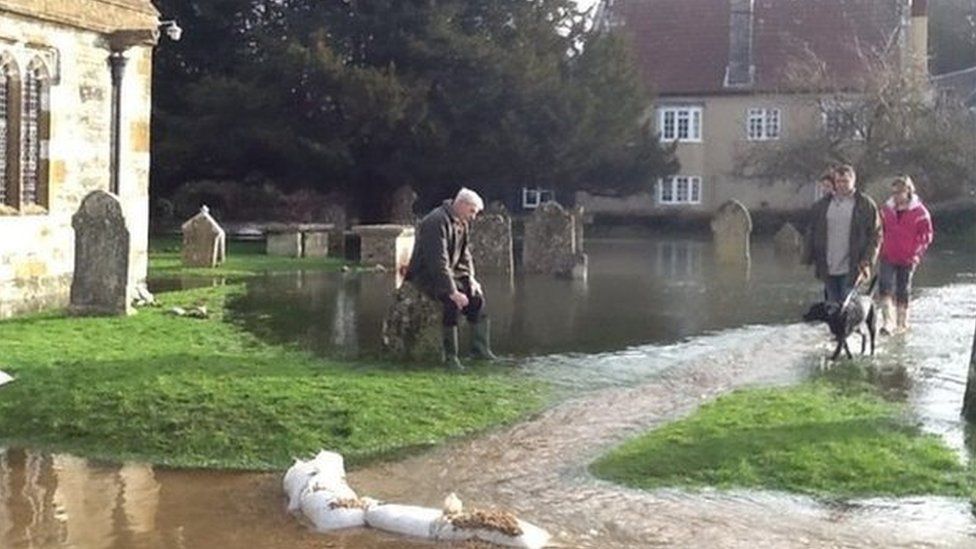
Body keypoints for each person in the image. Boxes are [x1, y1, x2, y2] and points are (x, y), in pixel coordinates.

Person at [404, 187, 496, 370]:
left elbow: (465, 255)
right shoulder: (435, 221)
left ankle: (480, 350)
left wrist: (471, 278)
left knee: (476, 299)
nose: (473, 216)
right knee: (452, 303)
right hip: (426, 275)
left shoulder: (462, 222)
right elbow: (437, 261)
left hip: (450, 272)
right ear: (461, 204)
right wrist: (452, 291)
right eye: (472, 211)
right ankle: (450, 357)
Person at [803, 164, 882, 303]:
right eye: (838, 181)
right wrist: (809, 256)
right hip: (828, 266)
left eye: (845, 181)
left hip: (853, 266)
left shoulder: (865, 204)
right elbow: (812, 232)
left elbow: (876, 235)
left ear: (853, 181)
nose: (841, 185)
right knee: (833, 308)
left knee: (847, 309)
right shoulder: (822, 206)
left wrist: (867, 260)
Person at [877, 175, 933, 334]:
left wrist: (916, 253)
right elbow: (879, 230)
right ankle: (888, 320)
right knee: (885, 286)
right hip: (887, 254)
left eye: (899, 192)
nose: (896, 196)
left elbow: (926, 236)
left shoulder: (920, 212)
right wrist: (880, 248)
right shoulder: (886, 210)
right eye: (894, 192)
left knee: (903, 289)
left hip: (908, 257)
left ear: (908, 191)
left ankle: (902, 322)